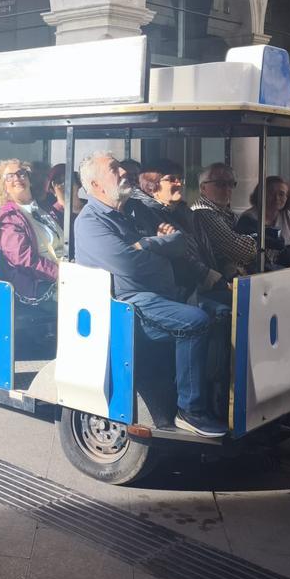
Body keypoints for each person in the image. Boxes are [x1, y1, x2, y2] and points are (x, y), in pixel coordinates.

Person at [73, 151, 225, 438]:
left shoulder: (134, 210)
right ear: (96, 185)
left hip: (162, 294)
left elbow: (180, 242)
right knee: (194, 322)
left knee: (225, 311)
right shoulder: (90, 222)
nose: (123, 173)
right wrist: (159, 245)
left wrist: (145, 244)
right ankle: (190, 411)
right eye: (114, 169)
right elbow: (129, 264)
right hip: (128, 303)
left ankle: (218, 396)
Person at [141, 158, 225, 302]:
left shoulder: (183, 211)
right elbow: (177, 257)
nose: (179, 184)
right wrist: (209, 276)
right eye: (172, 179)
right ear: (151, 187)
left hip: (203, 283)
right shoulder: (149, 216)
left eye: (180, 179)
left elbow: (203, 247)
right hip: (183, 291)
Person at [0, 159, 63, 309]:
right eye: (9, 176)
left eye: (21, 173)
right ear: (3, 186)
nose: (17, 178)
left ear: (29, 179)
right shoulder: (8, 219)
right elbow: (25, 261)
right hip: (39, 284)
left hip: (66, 271)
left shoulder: (44, 209)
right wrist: (62, 274)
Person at [192, 163, 258, 280]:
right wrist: (257, 239)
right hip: (220, 284)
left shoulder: (227, 212)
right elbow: (243, 251)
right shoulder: (203, 213)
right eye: (220, 184)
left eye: (231, 184)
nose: (227, 189)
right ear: (203, 188)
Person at [240, 176, 290, 267]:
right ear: (261, 194)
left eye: (281, 194)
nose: (276, 198)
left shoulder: (287, 215)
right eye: (271, 193)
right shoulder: (248, 218)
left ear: (287, 198)